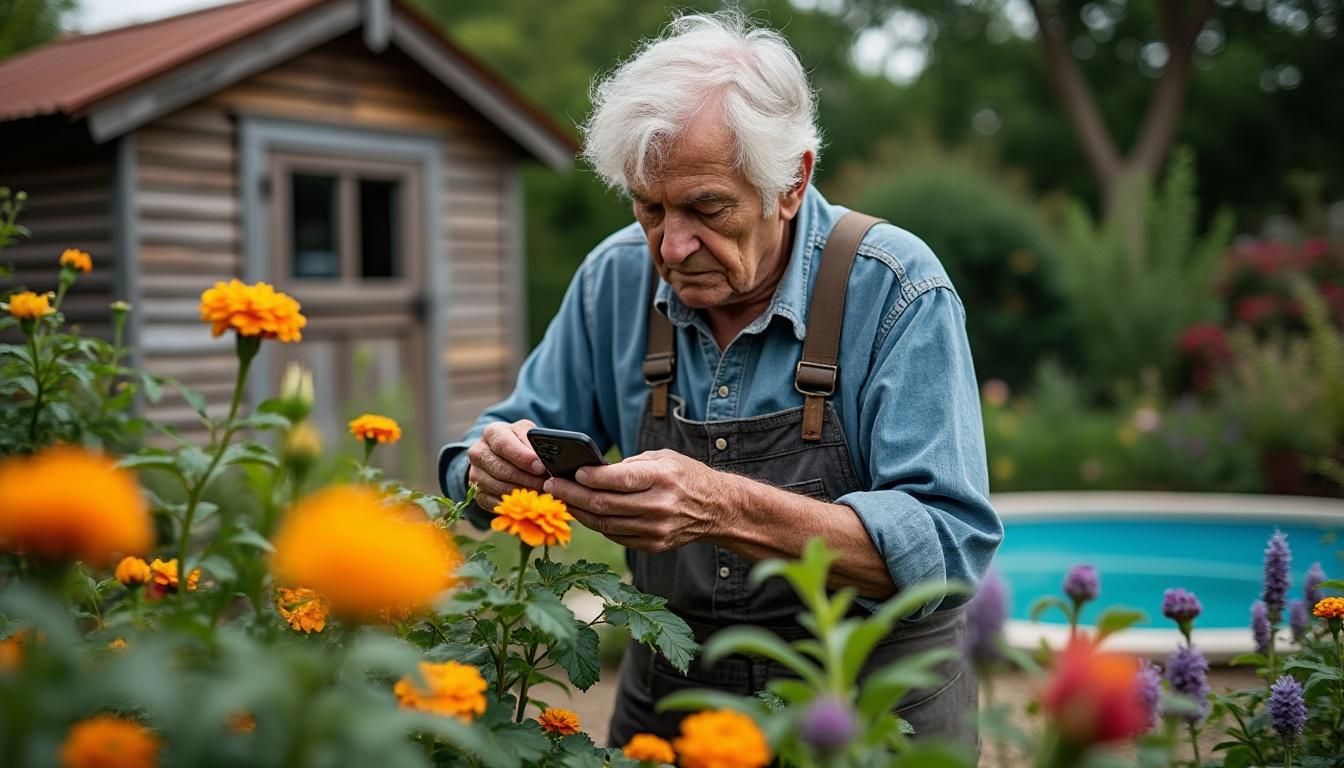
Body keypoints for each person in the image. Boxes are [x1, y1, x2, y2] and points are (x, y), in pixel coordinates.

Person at [437, 10, 1001, 748]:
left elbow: (948, 542)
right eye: (649, 208)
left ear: (791, 183)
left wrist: (721, 506)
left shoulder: (895, 288)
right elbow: (487, 445)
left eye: (707, 208)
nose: (671, 244)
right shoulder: (614, 278)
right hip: (672, 695)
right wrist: (487, 464)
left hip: (865, 698)